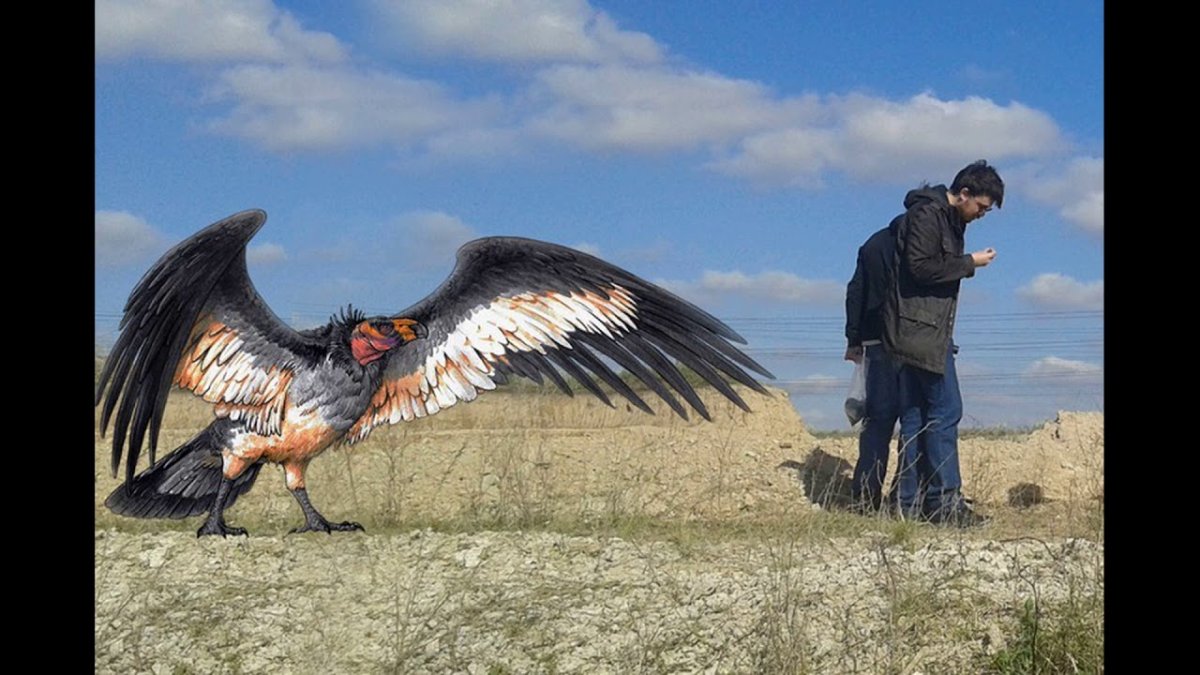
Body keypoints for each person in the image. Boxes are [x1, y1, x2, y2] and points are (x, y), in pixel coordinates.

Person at [882, 160, 1004, 527]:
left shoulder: (945, 219)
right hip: (920, 332)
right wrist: (969, 262)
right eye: (981, 206)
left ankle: (908, 503)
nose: (981, 215)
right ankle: (945, 503)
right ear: (964, 194)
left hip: (921, 329)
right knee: (947, 410)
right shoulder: (928, 216)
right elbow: (920, 267)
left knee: (917, 415)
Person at [844, 224, 920, 513]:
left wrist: (854, 338)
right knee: (914, 420)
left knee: (877, 421)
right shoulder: (924, 237)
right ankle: (903, 500)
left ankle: (865, 497)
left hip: (876, 341)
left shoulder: (873, 244)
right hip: (914, 340)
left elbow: (856, 292)